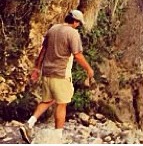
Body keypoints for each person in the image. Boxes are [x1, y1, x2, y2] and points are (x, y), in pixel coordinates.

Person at [20, 9, 95, 144]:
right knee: (62, 104)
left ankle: (29, 124)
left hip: (47, 73)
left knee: (48, 100)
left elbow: (43, 51)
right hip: (61, 74)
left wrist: (37, 68)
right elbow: (77, 55)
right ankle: (58, 138)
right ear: (75, 21)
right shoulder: (72, 33)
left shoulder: (53, 29)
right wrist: (89, 69)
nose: (78, 25)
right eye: (79, 23)